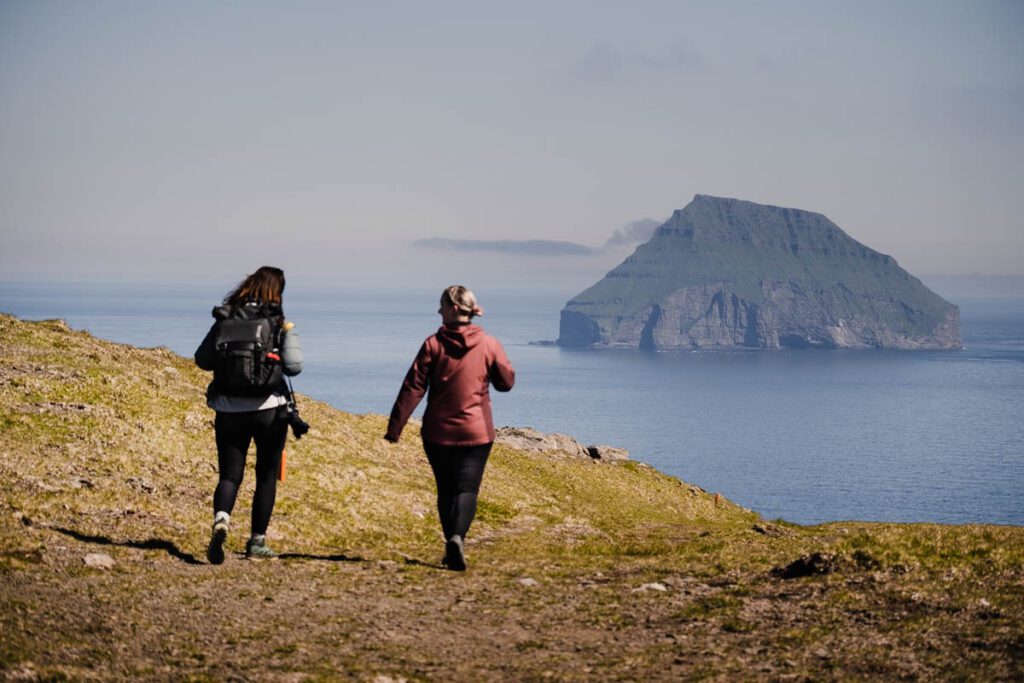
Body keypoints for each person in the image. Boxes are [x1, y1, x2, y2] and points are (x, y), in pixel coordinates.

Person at [385, 285, 515, 571]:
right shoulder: (489, 344)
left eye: (441, 305)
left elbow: (413, 387)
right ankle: (457, 538)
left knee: (446, 490)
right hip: (477, 432)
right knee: (467, 488)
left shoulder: (433, 344)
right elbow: (506, 383)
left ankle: (451, 540)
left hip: (437, 433)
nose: (438, 310)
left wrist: (395, 428)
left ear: (454, 308)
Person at [194, 266, 303, 563]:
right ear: (276, 291)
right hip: (270, 409)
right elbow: (294, 367)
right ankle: (257, 543)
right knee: (266, 475)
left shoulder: (225, 318)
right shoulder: (277, 322)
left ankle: (222, 519)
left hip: (228, 410)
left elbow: (202, 360)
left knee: (230, 474)